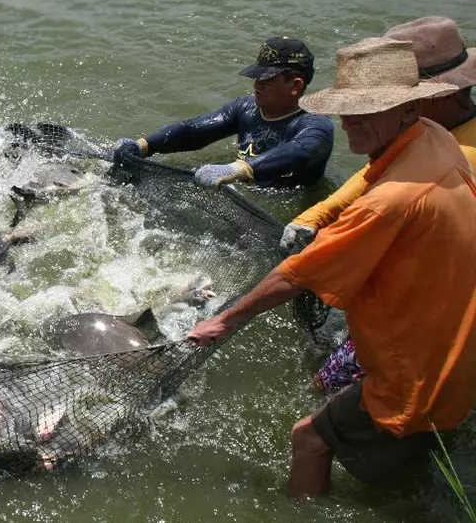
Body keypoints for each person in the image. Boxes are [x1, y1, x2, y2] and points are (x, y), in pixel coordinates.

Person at [188, 37, 476, 497]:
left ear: (407, 109)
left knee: (309, 437)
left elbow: (296, 275)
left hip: (416, 380)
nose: (348, 123)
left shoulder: (388, 204)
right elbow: (369, 175)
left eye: (365, 112)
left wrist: (223, 321)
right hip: (459, 350)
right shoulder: (435, 139)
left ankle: (300, 508)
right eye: (345, 109)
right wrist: (315, 215)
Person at [279, 17, 476, 392]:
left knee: (324, 394)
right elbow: (373, 174)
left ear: (439, 95)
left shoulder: (460, 153)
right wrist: (315, 215)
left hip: (435, 304)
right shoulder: (430, 133)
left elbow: (385, 193)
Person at [114, 37, 334, 189]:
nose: (257, 84)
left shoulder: (316, 126)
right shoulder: (245, 108)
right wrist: (144, 145)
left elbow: (298, 152)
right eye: (257, 76)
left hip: (281, 203)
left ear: (295, 85)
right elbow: (193, 130)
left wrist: (237, 169)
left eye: (268, 79)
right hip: (239, 183)